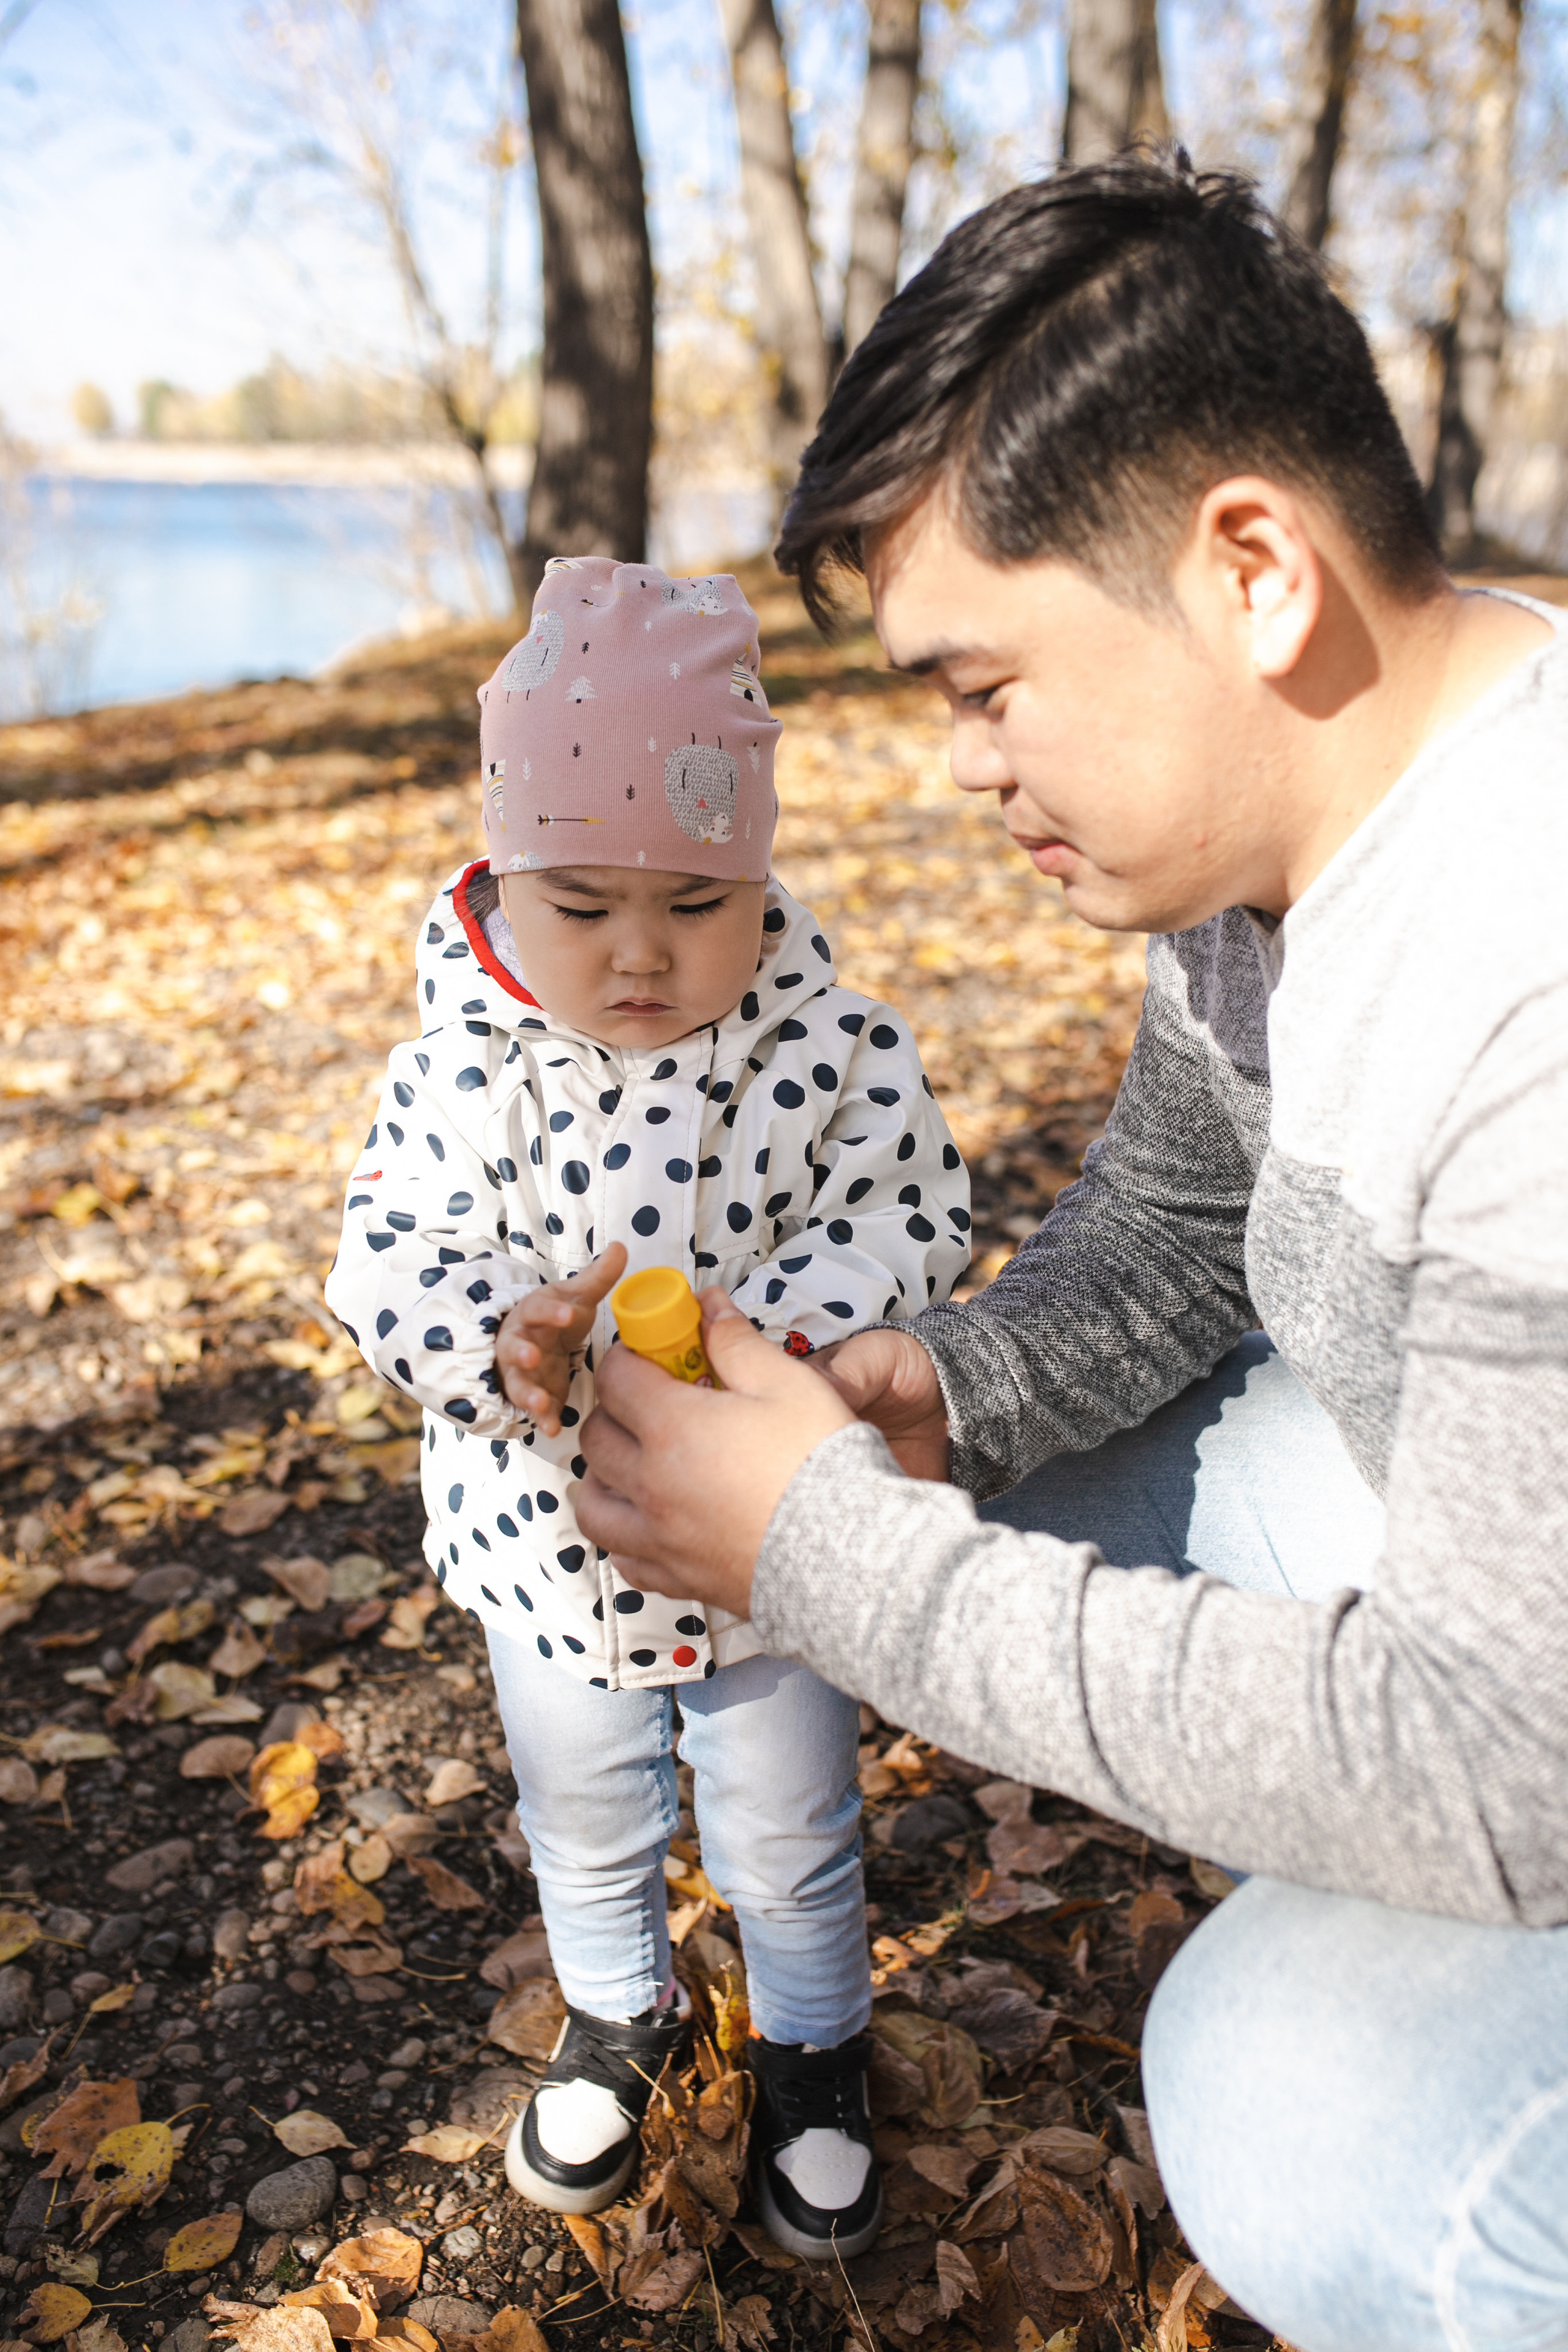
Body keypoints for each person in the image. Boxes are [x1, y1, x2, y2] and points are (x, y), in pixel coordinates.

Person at [570, 157, 1568, 2352]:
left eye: (988, 685)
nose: (960, 771)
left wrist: (833, 1562)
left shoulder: (1535, 973)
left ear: (1249, 569)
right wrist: (956, 1388)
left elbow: (1510, 1762)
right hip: (1513, 1591)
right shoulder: (1276, 838)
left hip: (1532, 1731)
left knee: (1299, 2112)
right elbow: (1189, 1219)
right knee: (977, 1491)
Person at [325, 556, 970, 2257]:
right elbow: (391, 1251)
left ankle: (812, 2043)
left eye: (694, 905)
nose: (635, 959)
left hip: (766, 1537)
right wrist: (492, 1343)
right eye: (581, 905)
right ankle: (621, 2008)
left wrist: (803, 1324)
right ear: (503, 871)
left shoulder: (829, 1042)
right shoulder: (467, 1061)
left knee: (789, 1816)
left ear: (756, 871)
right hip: (549, 1543)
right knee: (588, 1807)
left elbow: (911, 1208)